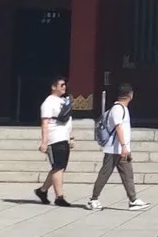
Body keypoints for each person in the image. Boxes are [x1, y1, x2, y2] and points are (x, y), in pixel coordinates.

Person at [87, 83, 149, 212]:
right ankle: (93, 199)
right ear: (130, 95)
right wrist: (124, 146)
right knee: (105, 173)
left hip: (121, 149)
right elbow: (119, 127)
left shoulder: (122, 109)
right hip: (114, 149)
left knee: (128, 174)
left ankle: (133, 200)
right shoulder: (118, 109)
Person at [35, 76, 74, 208]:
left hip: (64, 137)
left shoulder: (63, 101)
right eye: (61, 85)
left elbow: (68, 121)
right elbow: (45, 122)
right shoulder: (48, 103)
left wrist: (70, 137)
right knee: (58, 167)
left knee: (59, 167)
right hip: (54, 138)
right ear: (53, 87)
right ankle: (59, 197)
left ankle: (42, 191)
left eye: (65, 85)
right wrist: (44, 142)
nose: (64, 87)